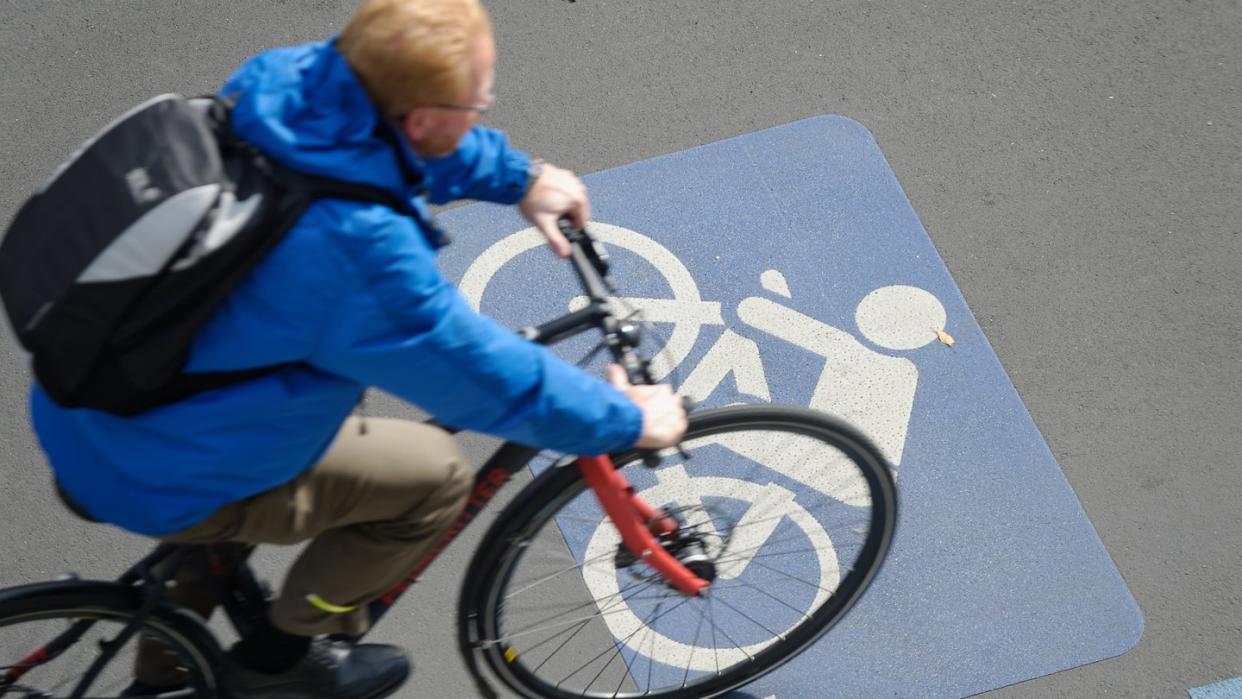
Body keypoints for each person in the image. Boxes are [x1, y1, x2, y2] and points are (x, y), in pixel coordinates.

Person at [28, 1, 687, 697]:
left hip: (91, 405)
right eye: (477, 99)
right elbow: (489, 384)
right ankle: (283, 660)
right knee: (432, 480)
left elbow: (375, 145)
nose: (487, 104)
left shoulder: (284, 83)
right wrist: (628, 419)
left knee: (314, 403)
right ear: (425, 117)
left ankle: (168, 669)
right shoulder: (359, 255)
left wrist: (518, 177)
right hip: (159, 464)